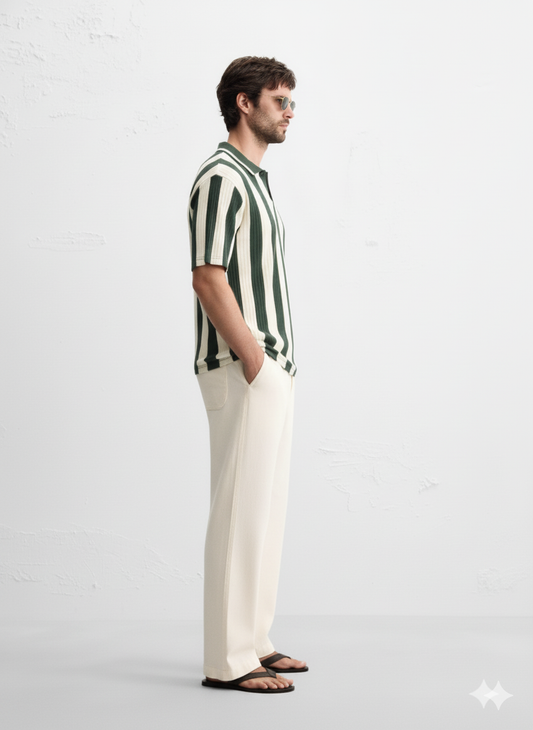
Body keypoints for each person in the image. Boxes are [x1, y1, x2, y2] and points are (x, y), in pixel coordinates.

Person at [187, 56, 307, 694]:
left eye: (291, 102)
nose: (290, 112)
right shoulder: (221, 177)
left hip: (271, 366)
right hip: (243, 367)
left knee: (264, 511)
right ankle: (227, 661)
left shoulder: (255, 180)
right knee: (238, 511)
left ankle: (254, 640)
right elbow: (209, 277)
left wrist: (273, 363)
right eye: (279, 100)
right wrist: (253, 359)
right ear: (244, 102)